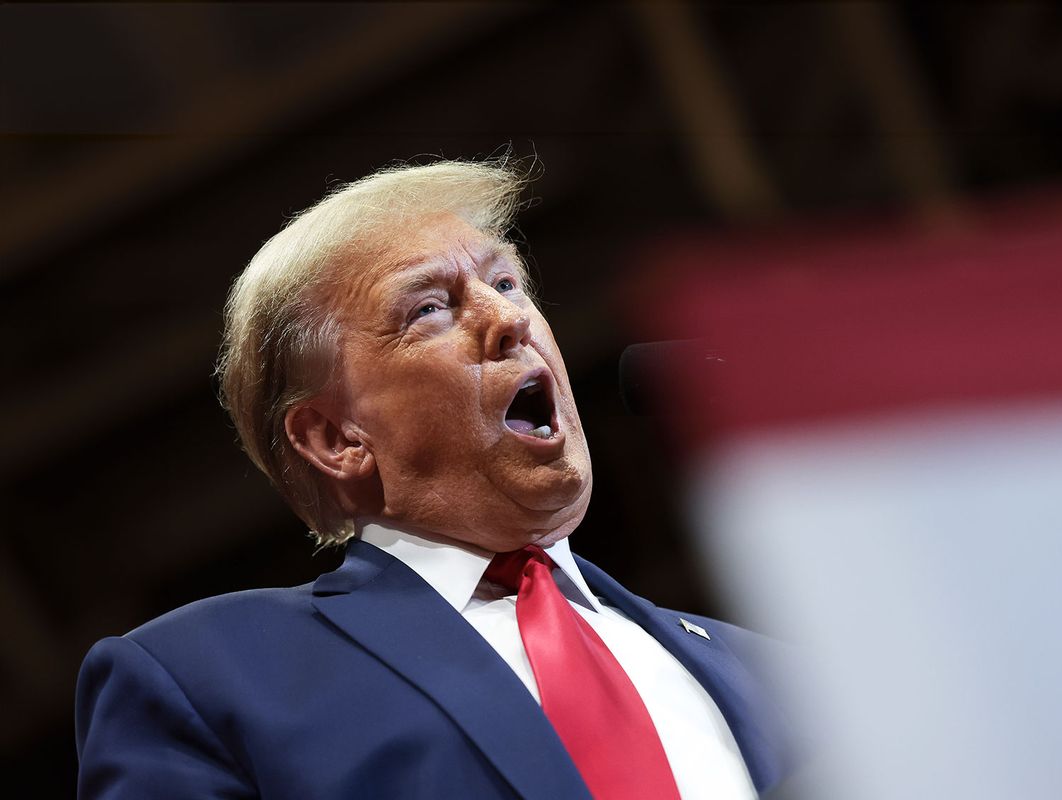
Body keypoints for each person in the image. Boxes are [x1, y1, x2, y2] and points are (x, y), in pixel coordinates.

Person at [75, 160, 793, 799]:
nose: (509, 318)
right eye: (430, 308)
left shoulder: (776, 672)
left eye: (506, 281)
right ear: (335, 438)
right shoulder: (210, 679)